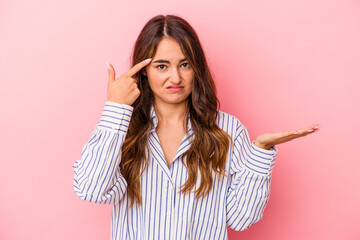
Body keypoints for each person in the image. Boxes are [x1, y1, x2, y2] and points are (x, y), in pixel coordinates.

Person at [72, 14, 319, 240]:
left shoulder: (227, 130)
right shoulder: (123, 130)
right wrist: (116, 108)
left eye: (185, 64)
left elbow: (240, 219)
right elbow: (92, 190)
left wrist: (261, 153)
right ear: (144, 71)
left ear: (196, 68)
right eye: (161, 66)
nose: (176, 78)